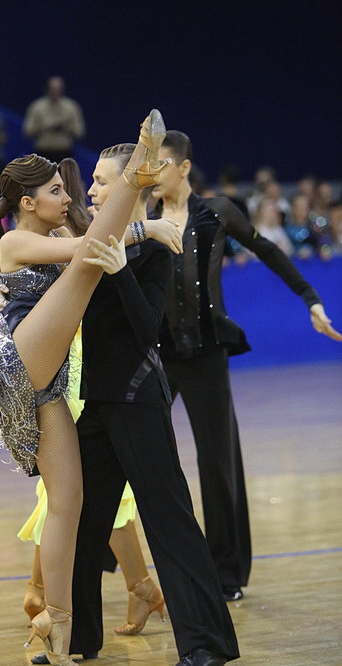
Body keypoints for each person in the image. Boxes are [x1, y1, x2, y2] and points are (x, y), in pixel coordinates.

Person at [0, 109, 171, 666]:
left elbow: (73, 264)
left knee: (68, 504)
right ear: (27, 202)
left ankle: (57, 625)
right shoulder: (14, 241)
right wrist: (148, 228)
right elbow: (88, 253)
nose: (68, 197)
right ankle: (138, 167)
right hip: (20, 366)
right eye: (57, 191)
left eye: (67, 188)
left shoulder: (60, 233)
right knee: (87, 267)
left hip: (48, 379)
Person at [62, 142, 240, 666]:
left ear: (131, 185)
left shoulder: (157, 253)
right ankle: (82, 637)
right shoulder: (98, 240)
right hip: (98, 402)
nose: (91, 189)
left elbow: (146, 332)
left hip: (138, 399)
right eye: (92, 180)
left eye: (101, 181)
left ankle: (206, 646)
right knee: (83, 521)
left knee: (169, 520)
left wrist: (121, 271)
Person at [150, 130, 342, 602]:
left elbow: (269, 252)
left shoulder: (217, 211)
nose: (152, 173)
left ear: (184, 167)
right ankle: (116, 563)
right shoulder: (144, 220)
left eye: (161, 164)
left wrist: (311, 299)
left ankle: (227, 573)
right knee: (131, 452)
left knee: (218, 463)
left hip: (207, 354)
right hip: (158, 355)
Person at [23, 76, 85, 163]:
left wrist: (65, 127)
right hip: (43, 153)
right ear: (47, 89)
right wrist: (45, 127)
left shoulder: (71, 107)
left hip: (64, 153)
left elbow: (79, 132)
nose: (56, 91)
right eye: (53, 89)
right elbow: (27, 131)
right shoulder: (37, 107)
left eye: (58, 89)